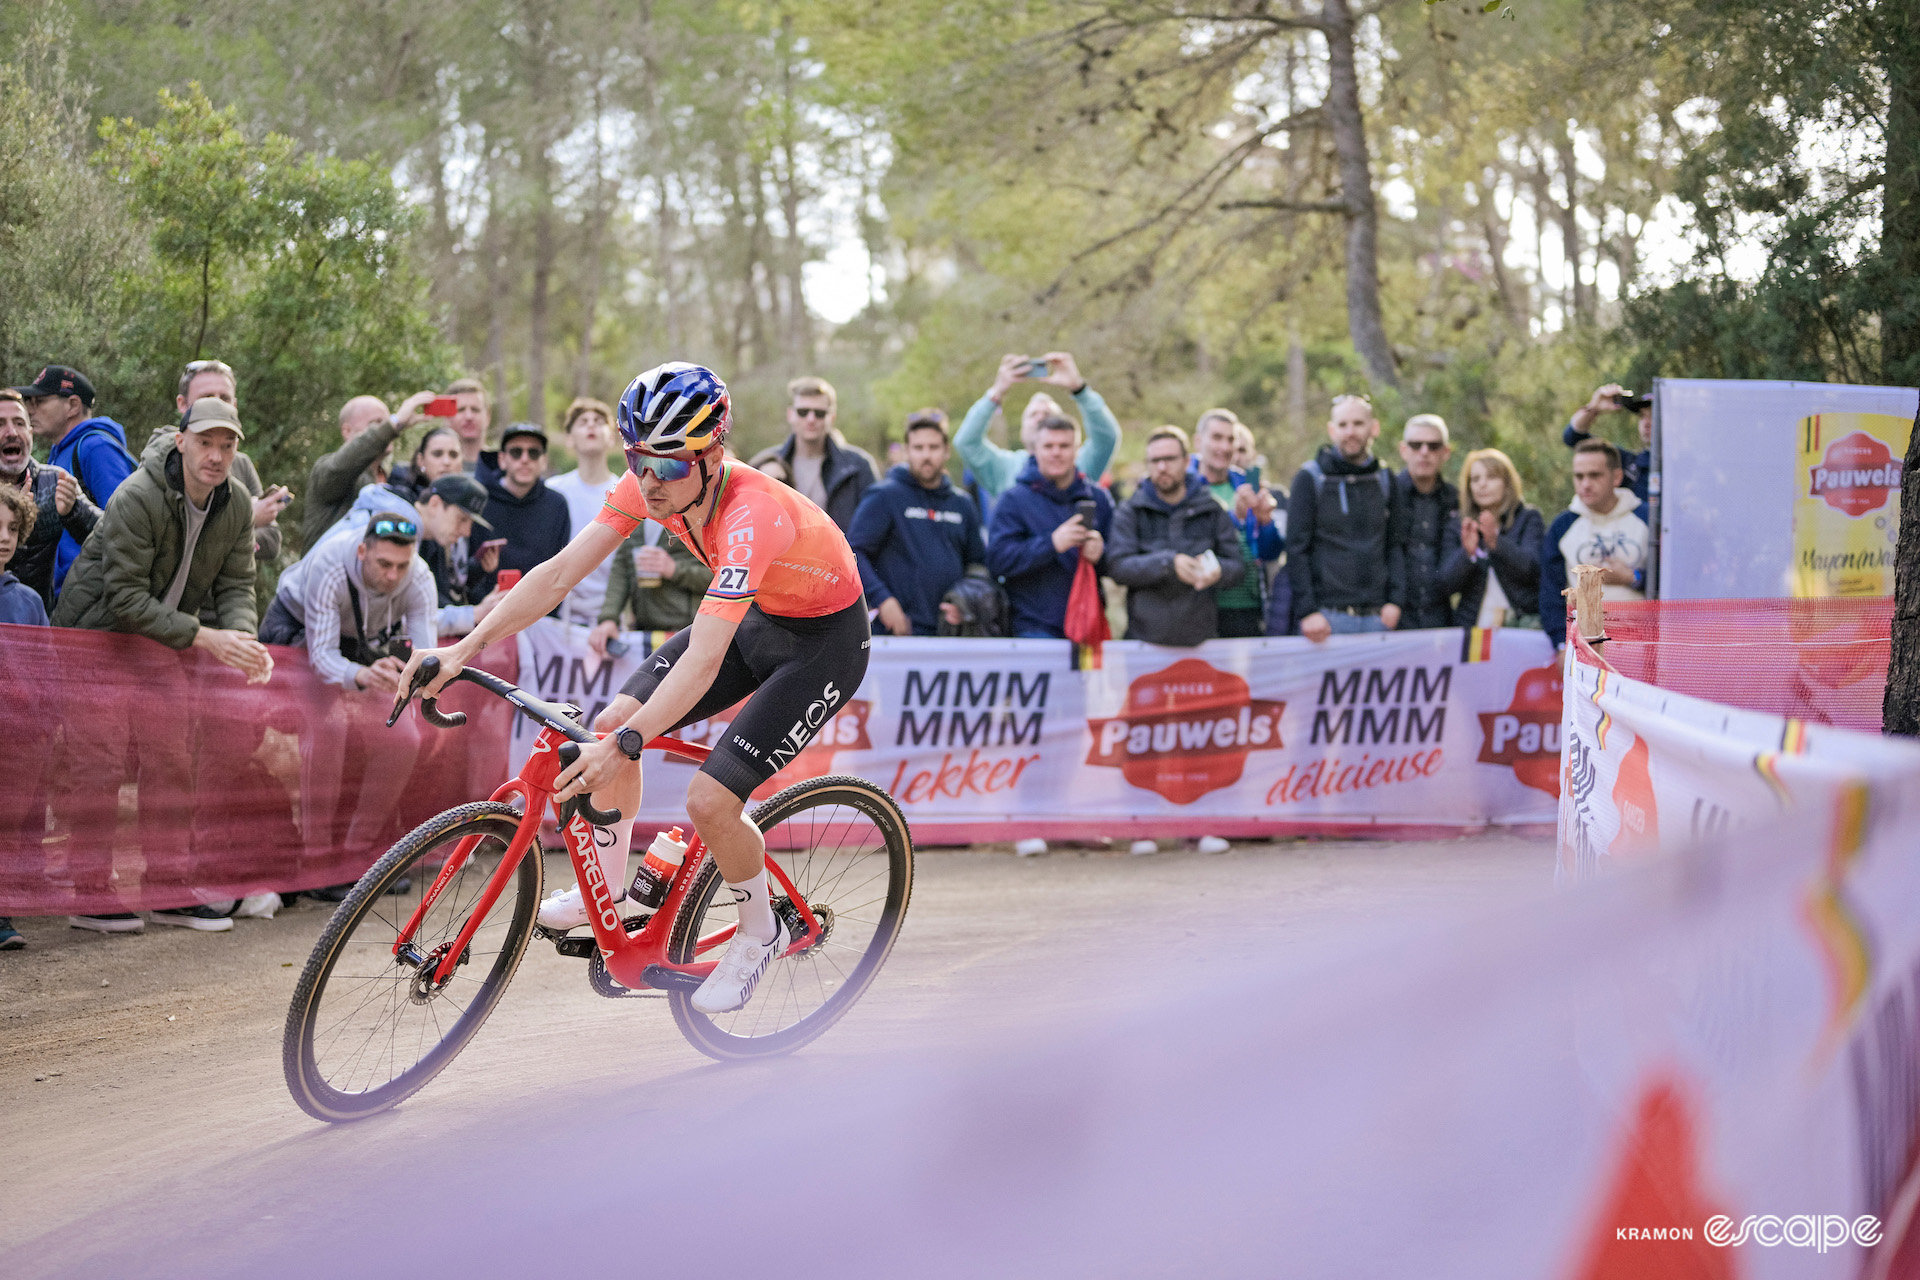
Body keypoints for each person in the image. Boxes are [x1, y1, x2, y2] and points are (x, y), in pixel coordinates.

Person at [400, 361, 871, 1016]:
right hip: (760, 617)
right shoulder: (650, 480)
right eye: (638, 459)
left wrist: (629, 741)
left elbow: (704, 660)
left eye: (670, 466)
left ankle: (760, 931)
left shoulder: (751, 514)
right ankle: (615, 894)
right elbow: (560, 574)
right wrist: (461, 648)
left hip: (824, 645)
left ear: (712, 455)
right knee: (609, 726)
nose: (650, 481)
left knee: (709, 799)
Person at [52, 397, 272, 933]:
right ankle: (90, 893)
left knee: (174, 761)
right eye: (205, 442)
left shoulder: (237, 503)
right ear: (181, 441)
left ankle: (169, 888)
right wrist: (207, 638)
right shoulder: (137, 496)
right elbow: (124, 598)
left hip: (162, 642)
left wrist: (241, 636)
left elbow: (237, 584)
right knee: (99, 766)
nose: (216, 455)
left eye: (227, 444)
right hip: (96, 639)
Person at [846, 408, 987, 636]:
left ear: (946, 451)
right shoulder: (884, 496)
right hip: (897, 634)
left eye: (933, 447)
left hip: (949, 633)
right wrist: (882, 600)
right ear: (907, 451)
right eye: (918, 448)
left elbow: (977, 565)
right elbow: (853, 553)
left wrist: (966, 602)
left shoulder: (962, 503)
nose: (926, 455)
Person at [1106, 425, 1247, 646]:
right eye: (1155, 461)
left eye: (1169, 459)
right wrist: (1168, 564)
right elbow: (1117, 566)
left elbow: (1237, 566)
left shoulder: (1210, 509)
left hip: (1201, 642)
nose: (1162, 467)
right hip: (1144, 641)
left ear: (1186, 461)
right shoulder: (1131, 510)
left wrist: (1217, 571)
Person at [1286, 394, 1409, 641]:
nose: (1350, 432)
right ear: (1332, 430)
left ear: (1374, 428)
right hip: (1327, 620)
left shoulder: (1385, 479)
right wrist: (1308, 610)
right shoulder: (1310, 479)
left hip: (1378, 618)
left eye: (1358, 424)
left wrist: (1396, 601)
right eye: (1343, 425)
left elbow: (1395, 544)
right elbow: (1297, 549)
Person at [985, 414, 1114, 639]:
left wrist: (1100, 554)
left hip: (1088, 626)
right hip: (1033, 628)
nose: (1056, 452)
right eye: (1049, 446)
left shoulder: (1098, 499)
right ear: (1035, 450)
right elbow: (997, 561)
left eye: (1064, 446)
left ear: (1077, 450)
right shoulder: (1013, 500)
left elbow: (1119, 561)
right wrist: (1052, 543)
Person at [15, 364, 134, 595]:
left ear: (72, 405)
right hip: (63, 594)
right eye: (29, 402)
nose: (30, 410)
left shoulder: (96, 447)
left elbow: (126, 524)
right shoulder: (60, 450)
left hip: (89, 595)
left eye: (39, 402)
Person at [954, 352, 1121, 503]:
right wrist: (996, 393)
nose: (1041, 417)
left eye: (1048, 414)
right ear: (1021, 433)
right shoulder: (1004, 468)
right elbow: (966, 443)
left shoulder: (1077, 464)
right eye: (1033, 415)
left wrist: (1079, 389)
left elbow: (1106, 438)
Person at [1541, 438, 1650, 649]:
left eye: (1594, 475)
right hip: (1585, 648)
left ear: (1617, 476)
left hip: (1642, 644)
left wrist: (1633, 577)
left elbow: (1673, 581)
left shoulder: (1649, 519)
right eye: (1579, 476)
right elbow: (1550, 593)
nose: (1585, 484)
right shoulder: (1563, 526)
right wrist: (1561, 644)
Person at [0, 388, 98, 612]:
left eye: (19, 423)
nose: (12, 432)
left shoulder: (52, 481)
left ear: (31, 433)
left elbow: (110, 539)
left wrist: (74, 512)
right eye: (0, 424)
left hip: (35, 625)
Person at [0, 482, 47, 950]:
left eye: (13, 527)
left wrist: (45, 724)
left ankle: (2, 915)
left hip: (16, 743)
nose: (4, 536)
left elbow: (48, 672)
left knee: (7, 829)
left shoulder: (28, 602)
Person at [303, 390, 439, 547]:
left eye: (386, 422)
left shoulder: (393, 479)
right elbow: (344, 464)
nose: (387, 431)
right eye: (376, 423)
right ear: (347, 431)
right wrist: (394, 422)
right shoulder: (329, 469)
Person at [1191, 410, 1282, 638]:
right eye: (1217, 438)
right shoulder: (1185, 486)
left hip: (1245, 606)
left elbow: (1271, 552)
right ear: (1198, 442)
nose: (1224, 447)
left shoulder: (1246, 483)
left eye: (1230, 439)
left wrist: (1265, 521)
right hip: (1199, 605)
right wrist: (1236, 518)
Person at [746, 376, 879, 531]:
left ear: (832, 418)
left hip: (840, 553)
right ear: (790, 415)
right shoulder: (765, 464)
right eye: (803, 412)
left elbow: (873, 527)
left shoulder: (858, 466)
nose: (811, 419)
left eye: (819, 413)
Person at [1437, 448, 1544, 629]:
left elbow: (1534, 569)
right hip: (1475, 628)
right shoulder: (1458, 525)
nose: (1482, 484)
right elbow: (1444, 585)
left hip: (1523, 626)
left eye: (1491, 477)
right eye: (1475, 479)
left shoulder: (1528, 518)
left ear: (1507, 483)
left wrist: (1497, 543)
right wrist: (1467, 554)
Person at [546, 397, 623, 625]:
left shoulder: (625, 492)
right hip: (559, 616)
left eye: (599, 421)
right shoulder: (553, 491)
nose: (591, 425)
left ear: (611, 437)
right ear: (569, 439)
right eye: (583, 421)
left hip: (612, 616)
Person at [587, 516, 713, 656]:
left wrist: (674, 569)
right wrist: (609, 618)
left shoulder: (699, 513)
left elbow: (722, 577)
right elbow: (622, 568)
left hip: (685, 633)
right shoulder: (634, 512)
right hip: (642, 631)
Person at [482, 424, 572, 594]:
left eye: (533, 453)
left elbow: (561, 567)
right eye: (516, 452)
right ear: (502, 459)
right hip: (487, 611)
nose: (525, 459)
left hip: (542, 611)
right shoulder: (482, 501)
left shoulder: (557, 504)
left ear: (543, 461)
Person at [1395, 413, 1460, 630]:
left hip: (1441, 619)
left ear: (1446, 452)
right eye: (1416, 445)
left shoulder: (1457, 500)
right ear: (1404, 450)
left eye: (1433, 446)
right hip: (1394, 618)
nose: (1424, 452)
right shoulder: (1386, 494)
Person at [1563, 383, 1651, 504]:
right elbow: (1573, 437)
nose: (1646, 423)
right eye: (1642, 416)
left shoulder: (1682, 465)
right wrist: (1594, 407)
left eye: (1654, 416)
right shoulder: (1632, 467)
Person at [444, 378, 492, 474]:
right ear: (447, 418)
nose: (468, 417)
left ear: (487, 417)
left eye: (475, 410)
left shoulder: (503, 465)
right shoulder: (439, 468)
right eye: (461, 410)